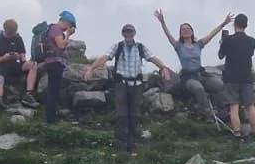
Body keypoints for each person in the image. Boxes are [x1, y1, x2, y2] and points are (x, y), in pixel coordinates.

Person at [84, 23, 173, 154]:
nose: (128, 34)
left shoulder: (141, 47)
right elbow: (105, 57)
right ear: (123, 34)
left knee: (134, 115)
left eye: (130, 32)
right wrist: (92, 68)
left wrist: (163, 67)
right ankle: (121, 145)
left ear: (134, 33)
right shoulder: (118, 46)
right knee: (121, 115)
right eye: (126, 32)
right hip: (121, 84)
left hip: (136, 85)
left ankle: (132, 144)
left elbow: (153, 58)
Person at [154, 9, 231, 125]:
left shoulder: (198, 44)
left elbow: (211, 34)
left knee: (219, 85)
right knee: (198, 88)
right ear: (180, 34)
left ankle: (222, 111)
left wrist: (224, 23)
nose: (186, 31)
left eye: (188, 29)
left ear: (192, 32)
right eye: (183, 30)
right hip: (188, 78)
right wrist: (162, 22)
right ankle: (208, 115)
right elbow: (168, 35)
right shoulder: (179, 46)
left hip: (201, 75)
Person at [217, 13, 255, 139]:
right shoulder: (251, 41)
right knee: (250, 106)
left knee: (233, 107)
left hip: (231, 77)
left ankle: (237, 133)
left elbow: (221, 55)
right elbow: (250, 54)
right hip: (246, 77)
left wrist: (222, 43)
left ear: (235, 24)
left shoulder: (228, 40)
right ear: (246, 25)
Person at [0, 19, 31, 106]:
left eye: (12, 34)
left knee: (32, 65)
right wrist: (4, 58)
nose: (10, 36)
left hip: (14, 65)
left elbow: (23, 57)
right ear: (5, 30)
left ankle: (29, 93)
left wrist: (18, 56)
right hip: (0, 67)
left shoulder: (18, 38)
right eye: (9, 34)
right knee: (0, 78)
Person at [40, 11, 77, 125]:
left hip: (52, 62)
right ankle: (51, 119)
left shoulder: (54, 29)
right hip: (55, 62)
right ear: (66, 22)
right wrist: (68, 35)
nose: (69, 28)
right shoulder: (56, 29)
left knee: (54, 90)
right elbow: (61, 45)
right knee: (53, 91)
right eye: (70, 25)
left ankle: (51, 117)